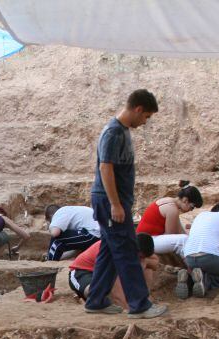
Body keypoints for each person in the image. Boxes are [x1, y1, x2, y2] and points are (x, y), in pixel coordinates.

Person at [85, 89, 167, 319]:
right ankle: (139, 304)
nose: (145, 122)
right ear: (138, 109)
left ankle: (96, 300)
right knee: (127, 250)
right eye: (146, 117)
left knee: (110, 252)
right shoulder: (113, 133)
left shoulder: (121, 131)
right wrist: (115, 204)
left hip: (112, 202)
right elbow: (105, 168)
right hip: (110, 202)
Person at [69, 232, 159, 309]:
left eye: (142, 257)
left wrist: (144, 261)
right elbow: (118, 297)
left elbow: (155, 263)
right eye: (139, 257)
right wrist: (130, 309)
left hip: (103, 273)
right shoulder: (116, 252)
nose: (140, 259)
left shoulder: (135, 246)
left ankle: (143, 298)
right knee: (94, 293)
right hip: (82, 271)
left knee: (147, 267)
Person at [136, 180, 204, 267]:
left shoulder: (169, 201)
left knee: (186, 234)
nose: (191, 210)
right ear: (185, 200)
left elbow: (179, 228)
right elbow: (171, 234)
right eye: (192, 207)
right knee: (183, 240)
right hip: (148, 242)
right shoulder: (172, 210)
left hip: (145, 238)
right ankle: (192, 269)